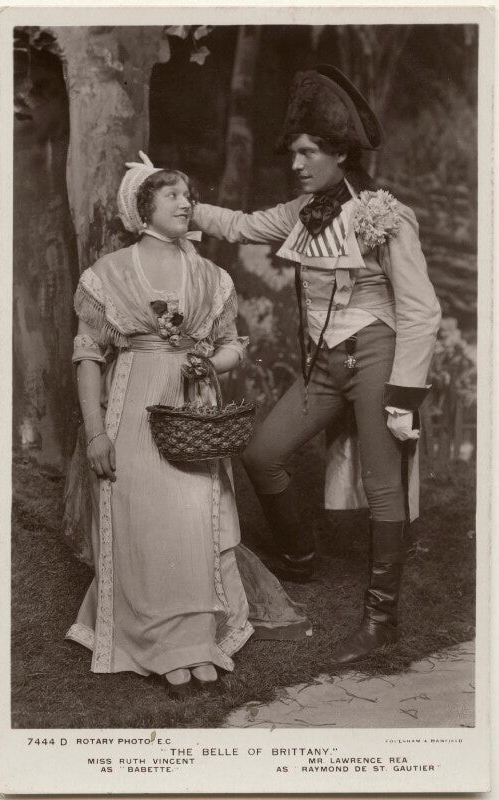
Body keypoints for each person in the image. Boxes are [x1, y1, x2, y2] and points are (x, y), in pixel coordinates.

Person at [192, 65, 441, 664]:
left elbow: (422, 309)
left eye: (309, 152)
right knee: (261, 452)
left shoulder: (383, 215)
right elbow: (242, 225)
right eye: (295, 153)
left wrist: (404, 395)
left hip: (377, 354)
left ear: (340, 154)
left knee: (384, 485)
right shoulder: (301, 212)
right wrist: (176, 202)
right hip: (326, 362)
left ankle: (382, 620)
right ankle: (301, 558)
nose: (298, 163)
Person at [63, 153, 309, 698]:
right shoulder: (107, 275)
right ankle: (152, 644)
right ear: (142, 206)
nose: (185, 200)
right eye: (171, 193)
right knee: (143, 519)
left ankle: (197, 641)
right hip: (131, 403)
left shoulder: (210, 276)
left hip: (192, 410)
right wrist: (96, 432)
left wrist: (206, 363)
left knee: (196, 521)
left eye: (188, 192)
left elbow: (231, 350)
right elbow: (87, 356)